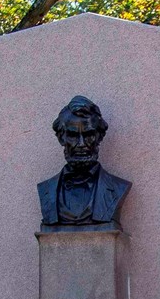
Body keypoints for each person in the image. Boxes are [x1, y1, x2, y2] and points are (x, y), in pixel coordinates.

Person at [38, 95, 131, 231]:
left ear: (99, 137)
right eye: (73, 135)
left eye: (88, 135)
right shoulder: (46, 189)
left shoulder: (119, 188)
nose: (81, 144)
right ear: (61, 138)